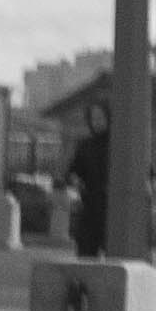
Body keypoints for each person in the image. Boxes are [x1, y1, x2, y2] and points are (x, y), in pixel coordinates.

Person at [62, 105, 111, 260]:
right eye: (93, 118)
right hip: (90, 206)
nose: (96, 122)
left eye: (100, 118)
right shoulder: (86, 145)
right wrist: (75, 181)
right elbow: (73, 171)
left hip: (114, 210)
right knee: (86, 253)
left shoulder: (122, 146)